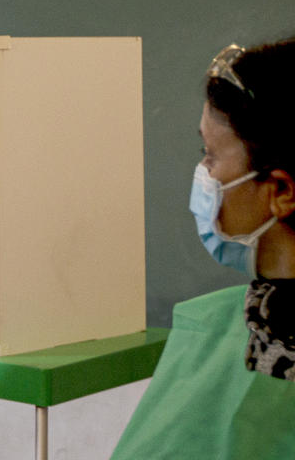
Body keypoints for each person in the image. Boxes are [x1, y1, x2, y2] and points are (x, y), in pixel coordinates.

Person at [112, 39, 295, 459]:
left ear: (281, 190)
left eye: (210, 156)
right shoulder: (220, 323)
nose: (204, 175)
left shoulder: (222, 331)